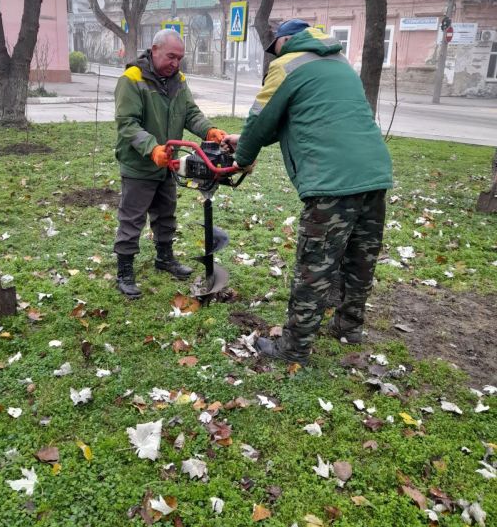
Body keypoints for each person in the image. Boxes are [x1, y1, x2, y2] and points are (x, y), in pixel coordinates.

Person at [225, 19, 393, 366]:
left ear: (286, 40)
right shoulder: (339, 62)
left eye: (276, 47)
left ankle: (294, 348)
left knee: (314, 266)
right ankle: (348, 327)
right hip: (374, 172)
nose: (275, 54)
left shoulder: (287, 64)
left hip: (332, 180)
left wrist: (242, 158)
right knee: (360, 259)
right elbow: (307, 116)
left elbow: (261, 119)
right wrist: (244, 141)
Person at [114, 29, 227, 298]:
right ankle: (124, 271)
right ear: (154, 50)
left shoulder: (179, 80)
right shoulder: (132, 79)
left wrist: (209, 130)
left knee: (166, 213)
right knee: (132, 218)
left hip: (168, 162)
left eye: (179, 58)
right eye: (171, 57)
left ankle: (164, 258)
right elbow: (127, 124)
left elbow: (190, 113)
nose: (175, 63)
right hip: (140, 164)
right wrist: (152, 148)